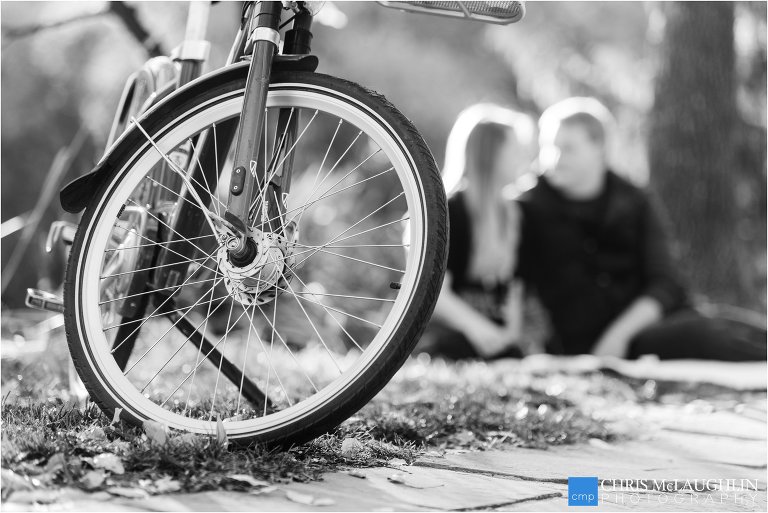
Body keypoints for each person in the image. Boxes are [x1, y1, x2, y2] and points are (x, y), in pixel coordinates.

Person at [515, 97, 766, 360]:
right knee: (703, 335)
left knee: (728, 323)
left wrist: (618, 335)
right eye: (547, 147)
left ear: (599, 147)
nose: (554, 158)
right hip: (589, 342)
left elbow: (667, 283)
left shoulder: (633, 199)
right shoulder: (527, 205)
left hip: (643, 326)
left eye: (568, 148)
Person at [414, 104, 537, 360]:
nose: (523, 160)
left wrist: (509, 336)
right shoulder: (448, 212)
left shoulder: (517, 214)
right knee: (455, 346)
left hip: (493, 333)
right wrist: (479, 331)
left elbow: (514, 288)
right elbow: (435, 295)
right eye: (515, 150)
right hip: (448, 332)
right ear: (491, 154)